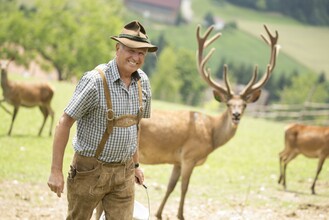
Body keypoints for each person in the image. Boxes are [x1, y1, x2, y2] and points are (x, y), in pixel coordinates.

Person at [47, 20, 158, 220]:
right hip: (89, 172)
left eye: (141, 52)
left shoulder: (143, 83)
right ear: (117, 48)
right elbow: (64, 122)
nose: (136, 57)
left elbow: (135, 126)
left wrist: (135, 165)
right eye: (131, 50)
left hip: (123, 173)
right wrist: (56, 171)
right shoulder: (95, 81)